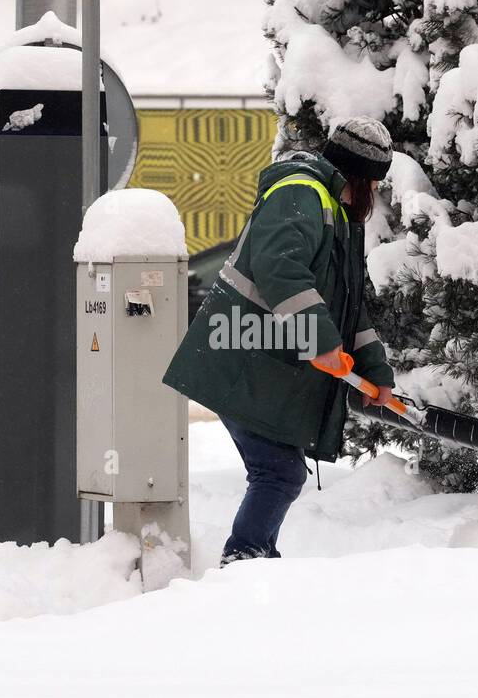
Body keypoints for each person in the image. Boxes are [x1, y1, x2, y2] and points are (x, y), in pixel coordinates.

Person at [163, 117, 397, 564]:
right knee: (279, 471)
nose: (372, 197)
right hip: (239, 358)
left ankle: (255, 558)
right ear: (359, 177)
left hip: (257, 362)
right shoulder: (300, 193)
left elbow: (350, 308)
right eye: (372, 184)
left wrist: (375, 371)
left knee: (280, 471)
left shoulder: (331, 209)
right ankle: (246, 559)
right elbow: (280, 269)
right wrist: (319, 341)